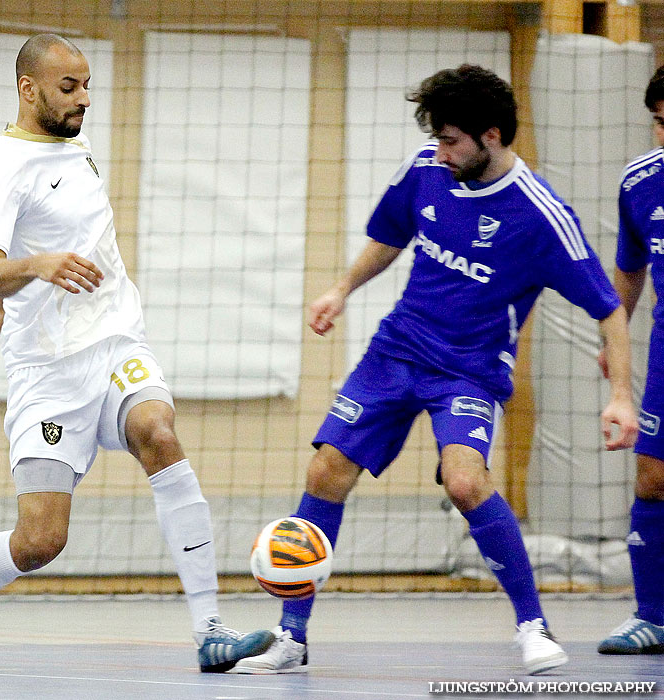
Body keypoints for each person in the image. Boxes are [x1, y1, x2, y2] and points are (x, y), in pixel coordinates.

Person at [0, 33, 273, 673]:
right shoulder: (0, 167)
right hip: (48, 375)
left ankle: (210, 629)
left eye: (86, 86)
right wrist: (25, 279)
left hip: (113, 344)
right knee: (40, 542)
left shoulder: (71, 142)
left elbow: (48, 244)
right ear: (29, 89)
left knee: (157, 430)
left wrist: (2, 307)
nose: (83, 100)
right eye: (68, 88)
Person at [229, 64, 638, 676]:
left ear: (492, 137)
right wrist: (341, 288)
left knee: (466, 482)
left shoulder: (542, 217)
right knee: (326, 468)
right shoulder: (427, 168)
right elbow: (391, 236)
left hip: (468, 373)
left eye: (452, 140)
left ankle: (533, 627)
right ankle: (293, 638)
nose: (440, 151)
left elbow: (609, 308)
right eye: (438, 139)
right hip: (396, 350)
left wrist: (622, 396)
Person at [597, 66, 664, 655]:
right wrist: (613, 337)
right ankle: (653, 615)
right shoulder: (641, 181)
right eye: (661, 123)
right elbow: (631, 265)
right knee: (654, 477)